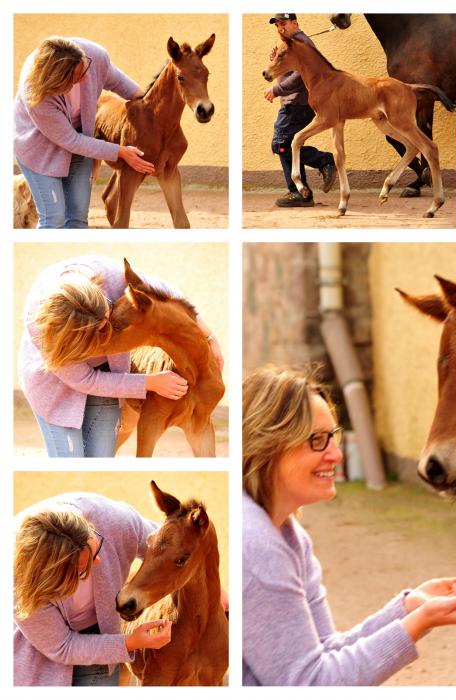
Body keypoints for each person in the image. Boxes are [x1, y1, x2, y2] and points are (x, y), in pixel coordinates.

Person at [243, 365, 456, 685]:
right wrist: (416, 624)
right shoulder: (255, 544)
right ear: (268, 443)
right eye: (317, 440)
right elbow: (312, 684)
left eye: (333, 437)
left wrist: (408, 609)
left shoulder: (291, 536)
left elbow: (323, 653)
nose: (336, 454)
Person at [19, 254, 224, 458]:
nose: (106, 334)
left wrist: (210, 336)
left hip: (108, 376)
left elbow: (166, 294)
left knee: (101, 459)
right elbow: (86, 379)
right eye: (98, 333)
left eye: (110, 318)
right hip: (55, 385)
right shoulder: (44, 333)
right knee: (69, 459)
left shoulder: (109, 276)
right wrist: (147, 383)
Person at [13, 492, 171, 686]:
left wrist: (217, 592)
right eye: (82, 568)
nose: (99, 561)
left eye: (96, 547)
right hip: (42, 646)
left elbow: (172, 548)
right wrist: (130, 642)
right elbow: (63, 646)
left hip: (100, 632)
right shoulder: (18, 584)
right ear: (52, 575)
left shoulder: (114, 521)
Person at [14, 36, 156, 228]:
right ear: (59, 80)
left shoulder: (93, 56)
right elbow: (73, 141)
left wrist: (147, 106)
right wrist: (120, 151)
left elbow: (117, 81)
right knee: (53, 216)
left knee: (78, 214)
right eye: (79, 76)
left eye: (86, 67)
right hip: (39, 149)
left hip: (79, 141)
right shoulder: (37, 95)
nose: (88, 77)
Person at [264, 14, 337, 208]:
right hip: (293, 104)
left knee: (280, 145)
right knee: (286, 145)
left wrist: (276, 89)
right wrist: (276, 62)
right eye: (277, 25)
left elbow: (300, 76)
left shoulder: (302, 42)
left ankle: (325, 161)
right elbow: (291, 69)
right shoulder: (293, 43)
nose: (280, 28)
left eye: (284, 24)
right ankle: (300, 192)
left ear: (295, 23)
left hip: (298, 104)